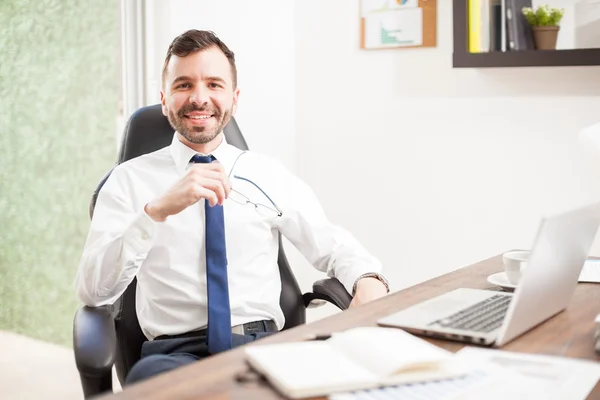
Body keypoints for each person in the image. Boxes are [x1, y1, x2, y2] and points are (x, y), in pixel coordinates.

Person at [75, 29, 389, 385]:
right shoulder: (128, 180)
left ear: (234, 99)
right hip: (174, 357)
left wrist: (367, 277)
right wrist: (157, 211)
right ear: (164, 100)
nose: (199, 98)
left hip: (268, 347)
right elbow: (92, 290)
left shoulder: (267, 174)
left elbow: (331, 243)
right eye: (183, 85)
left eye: (214, 84)